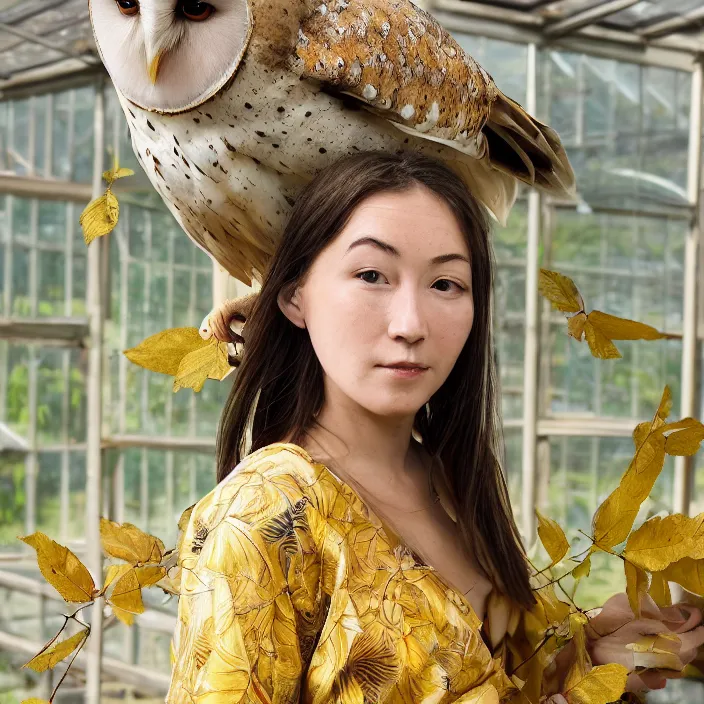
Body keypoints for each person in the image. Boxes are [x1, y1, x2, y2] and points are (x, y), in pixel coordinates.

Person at [165, 151, 703, 704]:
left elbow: (500, 683)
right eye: (371, 275)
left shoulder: (451, 476)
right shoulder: (268, 512)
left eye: (446, 284)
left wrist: (590, 655)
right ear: (294, 297)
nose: (410, 325)